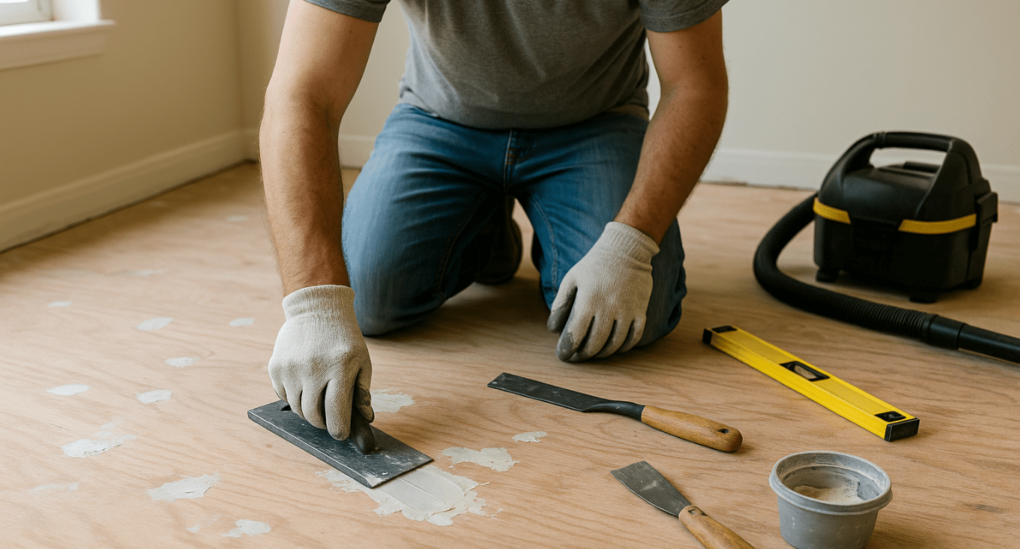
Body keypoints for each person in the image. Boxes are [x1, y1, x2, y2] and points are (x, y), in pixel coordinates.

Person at [260, 0, 729, 442]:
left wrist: (631, 244)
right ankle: (482, 232)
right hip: (439, 119)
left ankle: (526, 222)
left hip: (594, 122)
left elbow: (695, 83)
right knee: (371, 301)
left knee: (623, 325)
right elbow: (304, 92)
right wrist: (312, 303)